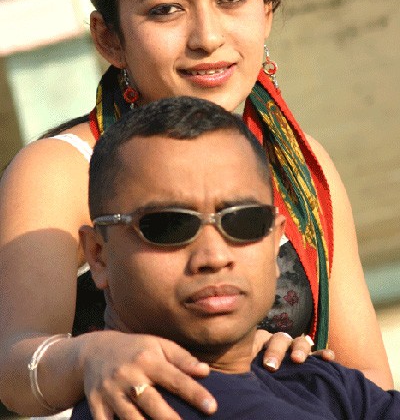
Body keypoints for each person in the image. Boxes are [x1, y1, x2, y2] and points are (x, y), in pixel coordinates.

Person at [0, 0, 392, 420]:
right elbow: (11, 369)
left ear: (267, 11)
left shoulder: (301, 167)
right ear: (109, 37)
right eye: (166, 10)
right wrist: (92, 355)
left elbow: (369, 377)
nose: (207, 36)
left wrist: (300, 366)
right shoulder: (64, 170)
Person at [75, 96, 400, 420]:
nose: (215, 257)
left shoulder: (319, 381)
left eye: (244, 221)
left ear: (274, 242)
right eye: (169, 226)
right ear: (99, 256)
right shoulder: (141, 407)